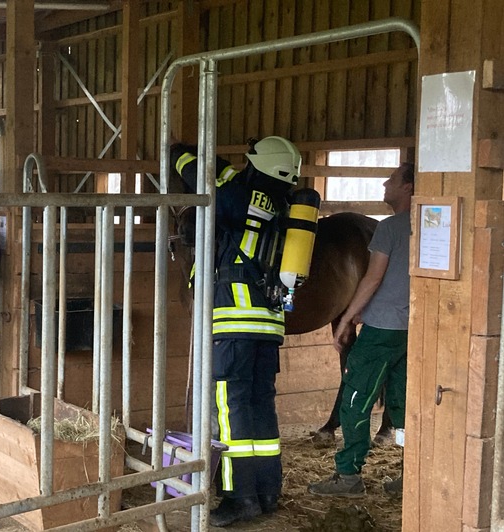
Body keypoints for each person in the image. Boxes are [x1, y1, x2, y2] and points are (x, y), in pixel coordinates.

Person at [171, 136, 303, 527]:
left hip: (235, 320)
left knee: (230, 412)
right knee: (261, 409)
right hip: (269, 325)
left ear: (256, 168)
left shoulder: (238, 198)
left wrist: (179, 154)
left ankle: (238, 497)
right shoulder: (285, 209)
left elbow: (201, 178)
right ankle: (266, 492)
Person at [308, 162, 415, 498]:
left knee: (355, 400)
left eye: (394, 179)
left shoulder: (390, 228)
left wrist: (346, 318)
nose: (386, 182)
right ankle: (409, 474)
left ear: (408, 188)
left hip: (382, 327)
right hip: (409, 329)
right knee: (401, 404)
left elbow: (372, 278)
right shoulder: (430, 224)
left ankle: (349, 477)